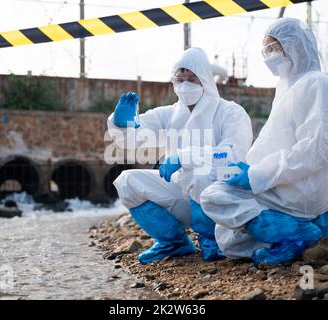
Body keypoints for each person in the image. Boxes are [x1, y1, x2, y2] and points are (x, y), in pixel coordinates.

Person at [200, 18, 328, 264]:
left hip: (301, 188)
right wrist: (248, 169)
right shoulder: (288, 87)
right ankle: (307, 235)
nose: (268, 56)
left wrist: (257, 175)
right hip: (281, 182)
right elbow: (277, 141)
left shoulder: (318, 84)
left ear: (295, 46)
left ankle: (300, 234)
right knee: (228, 240)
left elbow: (316, 151)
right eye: (266, 49)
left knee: (213, 197)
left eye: (273, 48)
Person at [107, 48, 253, 264]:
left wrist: (184, 157)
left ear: (204, 79)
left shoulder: (230, 112)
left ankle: (214, 238)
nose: (185, 84)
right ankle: (174, 242)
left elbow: (232, 153)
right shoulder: (169, 114)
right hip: (184, 196)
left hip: (220, 199)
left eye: (192, 78)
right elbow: (135, 137)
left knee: (200, 174)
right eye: (180, 78)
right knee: (128, 181)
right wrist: (122, 123)